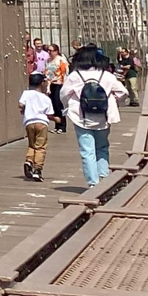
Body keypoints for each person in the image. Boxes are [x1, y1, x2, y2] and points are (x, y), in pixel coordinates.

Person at [55, 42, 129, 187]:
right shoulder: (106, 75)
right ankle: (104, 177)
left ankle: (93, 184)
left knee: (87, 151)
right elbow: (123, 92)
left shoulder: (75, 76)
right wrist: (114, 101)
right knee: (102, 147)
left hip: (81, 116)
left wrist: (68, 106)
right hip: (103, 116)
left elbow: (63, 94)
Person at [16, 71, 56, 182]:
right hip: (42, 123)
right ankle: (37, 169)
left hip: (29, 122)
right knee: (40, 146)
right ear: (42, 83)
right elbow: (49, 114)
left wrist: (23, 110)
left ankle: (29, 161)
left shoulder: (26, 93)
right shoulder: (46, 98)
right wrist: (56, 119)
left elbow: (20, 104)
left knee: (32, 144)